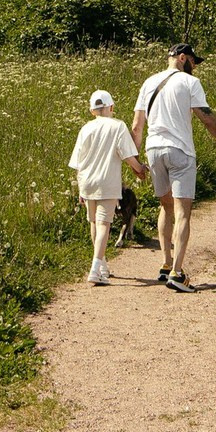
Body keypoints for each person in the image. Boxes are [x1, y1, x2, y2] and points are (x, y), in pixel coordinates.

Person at [132, 44, 216, 293]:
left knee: (165, 206)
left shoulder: (148, 83)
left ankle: (166, 264)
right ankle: (177, 274)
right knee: (182, 212)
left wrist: (134, 160)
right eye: (193, 61)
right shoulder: (189, 82)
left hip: (154, 151)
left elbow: (136, 126)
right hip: (180, 151)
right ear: (182, 58)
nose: (195, 66)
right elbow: (207, 118)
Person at [68, 89, 148, 286]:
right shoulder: (118, 126)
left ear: (92, 110)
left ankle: (102, 266)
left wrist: (80, 188)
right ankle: (95, 268)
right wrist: (140, 168)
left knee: (94, 223)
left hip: (87, 181)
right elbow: (127, 154)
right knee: (104, 224)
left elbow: (78, 161)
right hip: (107, 181)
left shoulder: (85, 128)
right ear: (111, 107)